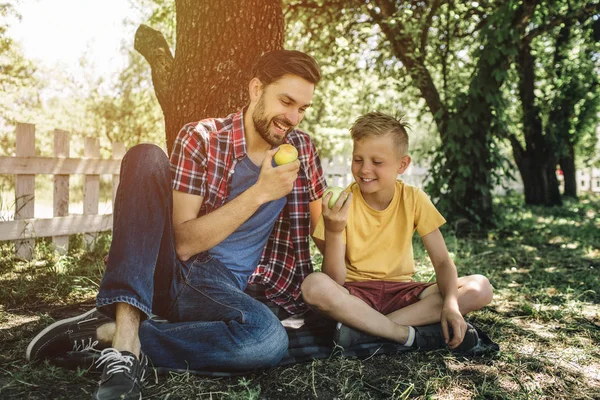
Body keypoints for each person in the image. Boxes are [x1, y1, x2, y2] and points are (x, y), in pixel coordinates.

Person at [26, 50, 326, 400]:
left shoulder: (301, 149)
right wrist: (260, 193)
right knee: (146, 157)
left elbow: (322, 232)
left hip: (224, 290)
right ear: (256, 89)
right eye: (286, 101)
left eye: (302, 109)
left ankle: (104, 332)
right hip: (176, 273)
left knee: (266, 339)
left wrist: (342, 238)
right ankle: (124, 347)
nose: (292, 117)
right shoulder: (203, 137)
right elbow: (183, 244)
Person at [302, 111, 493, 352]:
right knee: (314, 285)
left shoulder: (414, 199)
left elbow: (443, 261)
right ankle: (404, 334)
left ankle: (365, 328)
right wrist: (334, 230)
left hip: (403, 294)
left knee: (480, 287)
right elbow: (335, 280)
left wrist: (451, 306)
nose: (364, 169)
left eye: (377, 162)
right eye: (357, 159)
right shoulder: (342, 204)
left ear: (402, 164)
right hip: (356, 294)